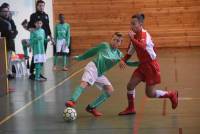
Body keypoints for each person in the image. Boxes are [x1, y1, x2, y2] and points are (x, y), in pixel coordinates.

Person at [65, 32, 139, 117]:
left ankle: (91, 107)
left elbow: (127, 63)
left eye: (118, 41)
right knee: (85, 83)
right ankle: (72, 100)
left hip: (100, 74)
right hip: (93, 67)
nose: (115, 42)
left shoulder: (119, 55)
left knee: (110, 90)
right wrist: (80, 57)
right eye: (114, 39)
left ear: (121, 43)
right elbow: (92, 51)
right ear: (111, 39)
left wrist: (140, 63)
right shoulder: (104, 45)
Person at [118, 13, 178, 115]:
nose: (131, 26)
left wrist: (132, 39)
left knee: (149, 93)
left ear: (140, 24)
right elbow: (129, 52)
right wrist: (123, 60)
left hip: (151, 66)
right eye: (131, 24)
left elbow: (142, 46)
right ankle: (131, 108)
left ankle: (171, 94)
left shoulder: (145, 34)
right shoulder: (134, 37)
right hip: (142, 66)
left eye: (134, 24)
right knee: (130, 85)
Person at [28, 0, 52, 80]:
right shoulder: (33, 16)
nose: (41, 7)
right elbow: (29, 27)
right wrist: (33, 37)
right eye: (40, 6)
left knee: (42, 56)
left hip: (43, 40)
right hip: (36, 41)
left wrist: (51, 38)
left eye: (43, 6)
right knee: (36, 56)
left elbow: (48, 28)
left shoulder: (46, 15)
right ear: (37, 6)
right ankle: (32, 73)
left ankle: (38, 73)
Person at [0, 5, 17, 79]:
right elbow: (3, 31)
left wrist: (12, 34)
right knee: (3, 60)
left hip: (10, 43)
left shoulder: (11, 20)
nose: (6, 13)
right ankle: (4, 75)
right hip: (2, 43)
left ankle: (9, 73)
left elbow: (15, 30)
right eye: (4, 11)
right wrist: (10, 32)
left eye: (7, 11)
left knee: (9, 59)